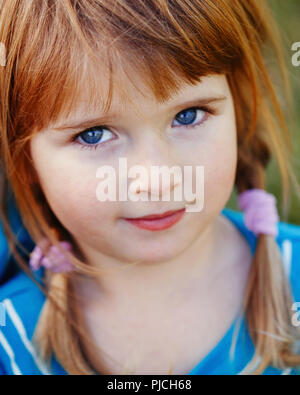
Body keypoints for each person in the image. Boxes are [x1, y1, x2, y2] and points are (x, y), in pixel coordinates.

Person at [0, 0, 300, 375]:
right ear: (25, 159)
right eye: (94, 135)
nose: (157, 180)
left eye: (187, 116)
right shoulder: (10, 339)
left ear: (238, 109)